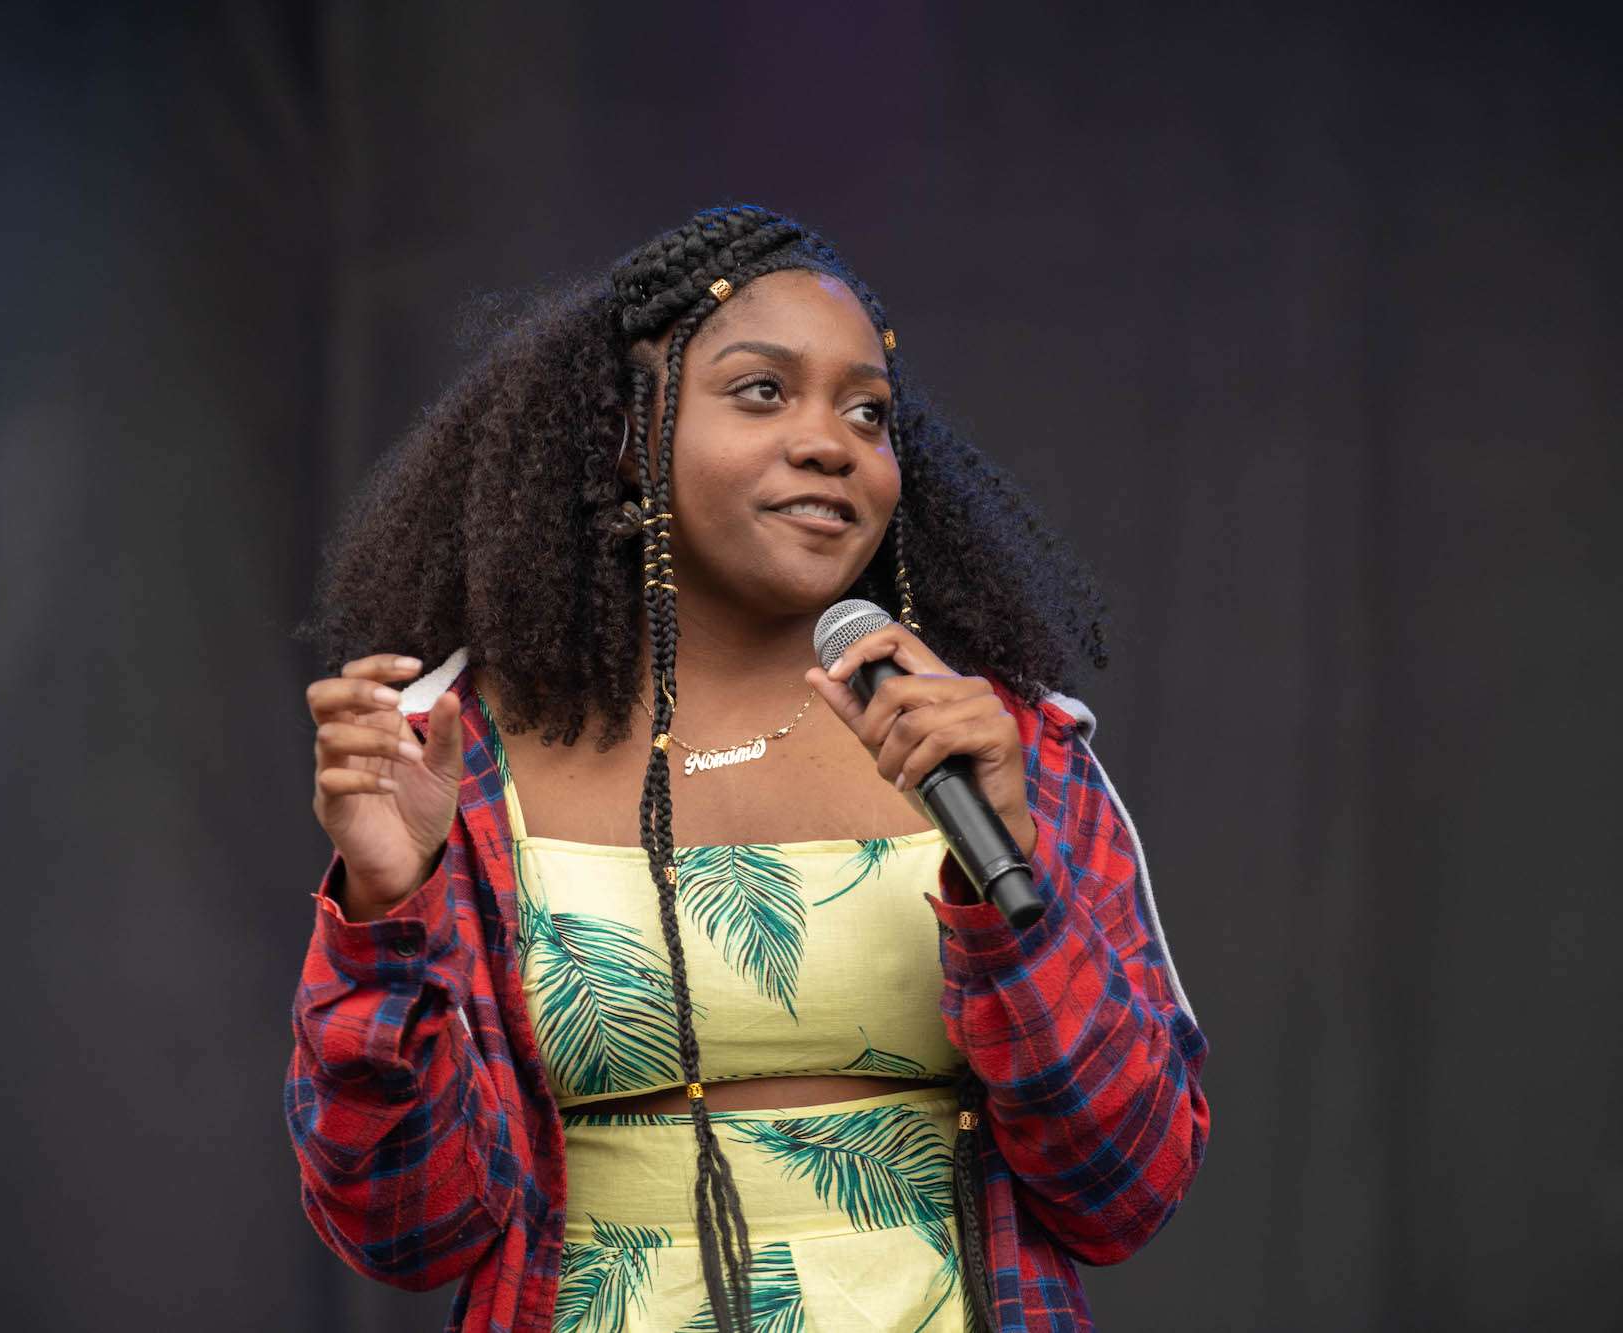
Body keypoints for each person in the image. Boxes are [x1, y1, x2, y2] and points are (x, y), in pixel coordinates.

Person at [287, 204, 1209, 1333]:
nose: (831, 442)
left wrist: (1008, 870)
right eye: (763, 391)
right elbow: (404, 1230)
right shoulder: (454, 764)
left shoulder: (1001, 748)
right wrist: (386, 909)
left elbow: (1126, 1186)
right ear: (629, 437)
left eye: (868, 413)